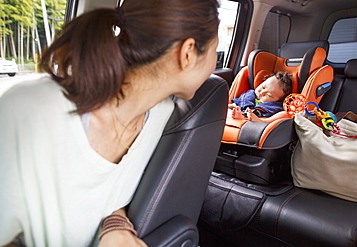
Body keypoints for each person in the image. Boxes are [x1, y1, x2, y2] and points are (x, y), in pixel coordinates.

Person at [0, 0, 220, 246]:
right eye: (214, 50)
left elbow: (108, 199)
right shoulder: (31, 112)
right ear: (188, 53)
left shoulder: (162, 116)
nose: (215, 64)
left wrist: (116, 226)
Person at [228, 71, 292, 123]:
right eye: (263, 87)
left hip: (259, 120)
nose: (262, 93)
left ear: (277, 100)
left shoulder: (274, 106)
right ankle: (242, 116)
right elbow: (234, 105)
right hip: (240, 114)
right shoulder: (249, 96)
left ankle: (260, 121)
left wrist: (262, 120)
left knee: (285, 114)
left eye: (269, 95)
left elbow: (284, 115)